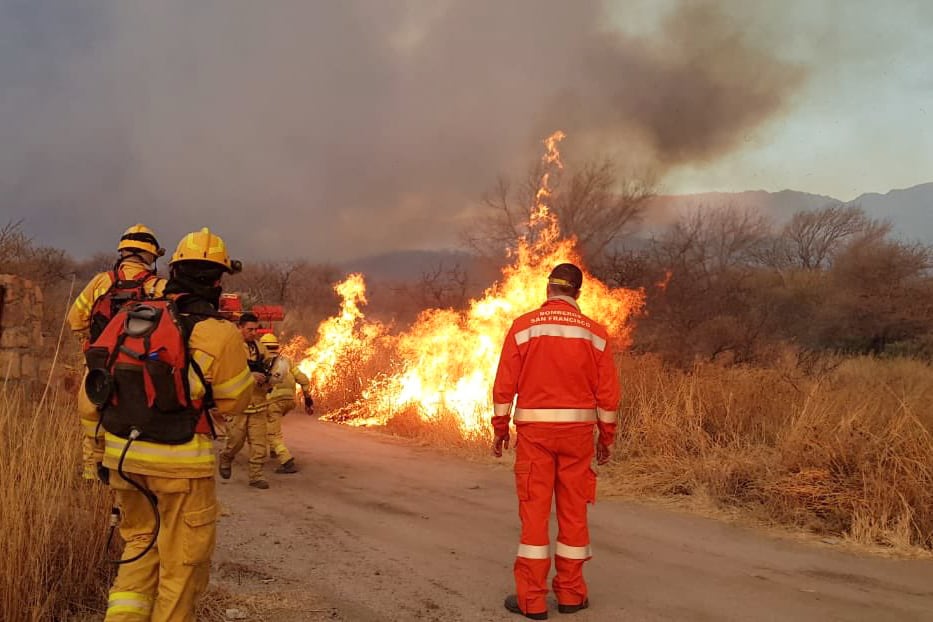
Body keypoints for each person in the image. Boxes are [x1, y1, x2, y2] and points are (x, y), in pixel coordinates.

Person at [83, 227, 253, 621]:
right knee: (181, 568)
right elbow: (234, 401)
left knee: (138, 549)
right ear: (218, 279)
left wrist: (95, 452)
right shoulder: (220, 333)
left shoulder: (129, 318)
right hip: (182, 470)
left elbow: (90, 397)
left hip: (123, 461)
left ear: (173, 268)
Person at [491, 263, 620, 620]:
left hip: (535, 438)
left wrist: (500, 429)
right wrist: (605, 438)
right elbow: (608, 395)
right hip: (578, 439)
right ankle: (571, 595)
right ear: (578, 293)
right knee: (573, 514)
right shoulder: (595, 334)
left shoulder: (522, 328)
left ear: (548, 290)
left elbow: (504, 387)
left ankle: (532, 601)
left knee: (534, 513)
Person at [70, 224, 167, 481]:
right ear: (151, 257)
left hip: (97, 362)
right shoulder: (158, 287)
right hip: (139, 367)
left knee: (91, 413)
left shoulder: (101, 282)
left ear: (122, 252)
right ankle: (128, 471)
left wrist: (88, 342)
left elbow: (74, 319)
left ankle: (92, 471)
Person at [218, 312, 272, 488]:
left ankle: (256, 476)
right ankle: (226, 457)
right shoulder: (230, 347)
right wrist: (250, 375)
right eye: (250, 329)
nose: (254, 333)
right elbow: (225, 371)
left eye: (256, 329)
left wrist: (271, 376)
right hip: (238, 405)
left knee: (259, 445)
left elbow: (271, 364)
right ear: (239, 328)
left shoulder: (259, 347)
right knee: (235, 441)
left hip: (258, 404)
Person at [258, 332, 314, 474]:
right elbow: (304, 380)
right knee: (272, 425)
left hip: (273, 402)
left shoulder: (262, 363)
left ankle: (287, 461)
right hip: (289, 401)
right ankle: (273, 450)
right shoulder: (286, 361)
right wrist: (308, 399)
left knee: (272, 433)